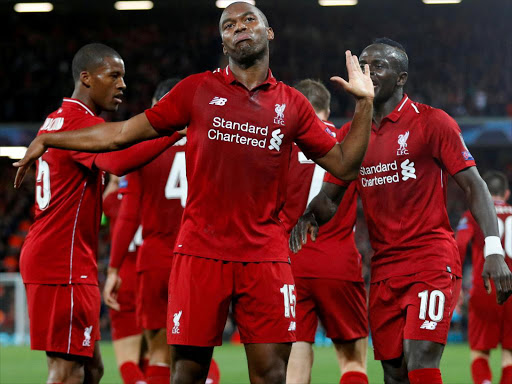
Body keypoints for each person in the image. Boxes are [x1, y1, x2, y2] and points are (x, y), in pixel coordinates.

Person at [14, 3, 375, 383]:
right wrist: (50, 138)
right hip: (200, 255)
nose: (239, 27)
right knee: (186, 373)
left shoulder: (293, 104)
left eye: (249, 19)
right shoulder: (197, 90)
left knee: (271, 374)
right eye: (228, 24)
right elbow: (120, 134)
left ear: (269, 33)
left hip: (266, 256)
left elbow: (344, 166)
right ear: (223, 43)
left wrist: (365, 103)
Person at [289, 38, 512, 384]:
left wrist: (494, 249)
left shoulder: (432, 122)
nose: (369, 72)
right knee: (394, 373)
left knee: (421, 361)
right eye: (364, 66)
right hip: (383, 269)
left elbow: (474, 184)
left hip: (430, 261)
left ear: (402, 77)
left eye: (378, 66)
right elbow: (331, 196)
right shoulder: (352, 135)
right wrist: (310, 216)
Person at [17, 42, 183, 384]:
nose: (123, 84)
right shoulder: (79, 122)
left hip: (60, 255)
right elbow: (118, 157)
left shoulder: (56, 118)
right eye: (114, 75)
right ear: (87, 78)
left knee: (93, 370)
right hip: (62, 261)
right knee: (66, 373)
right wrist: (175, 131)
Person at [104, 78, 220, 384]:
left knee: (157, 352)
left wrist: (114, 268)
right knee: (200, 351)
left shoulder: (146, 143)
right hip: (201, 259)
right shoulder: (207, 138)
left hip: (155, 260)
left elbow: (128, 213)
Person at [281, 79, 368, 384]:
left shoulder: (281, 145)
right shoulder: (349, 142)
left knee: (296, 357)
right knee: (353, 361)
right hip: (337, 262)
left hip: (288, 263)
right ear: (327, 109)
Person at [456, 170, 512, 384]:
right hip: (511, 291)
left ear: (483, 191)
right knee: (509, 355)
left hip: (485, 289)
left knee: (480, 352)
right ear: (506, 193)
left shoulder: (472, 215)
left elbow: (459, 245)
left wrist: (456, 284)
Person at [103, 175, 147, 384]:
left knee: (128, 360)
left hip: (124, 280)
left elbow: (102, 211)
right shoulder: (152, 195)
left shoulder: (114, 201)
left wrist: (114, 180)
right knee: (154, 357)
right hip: (151, 275)